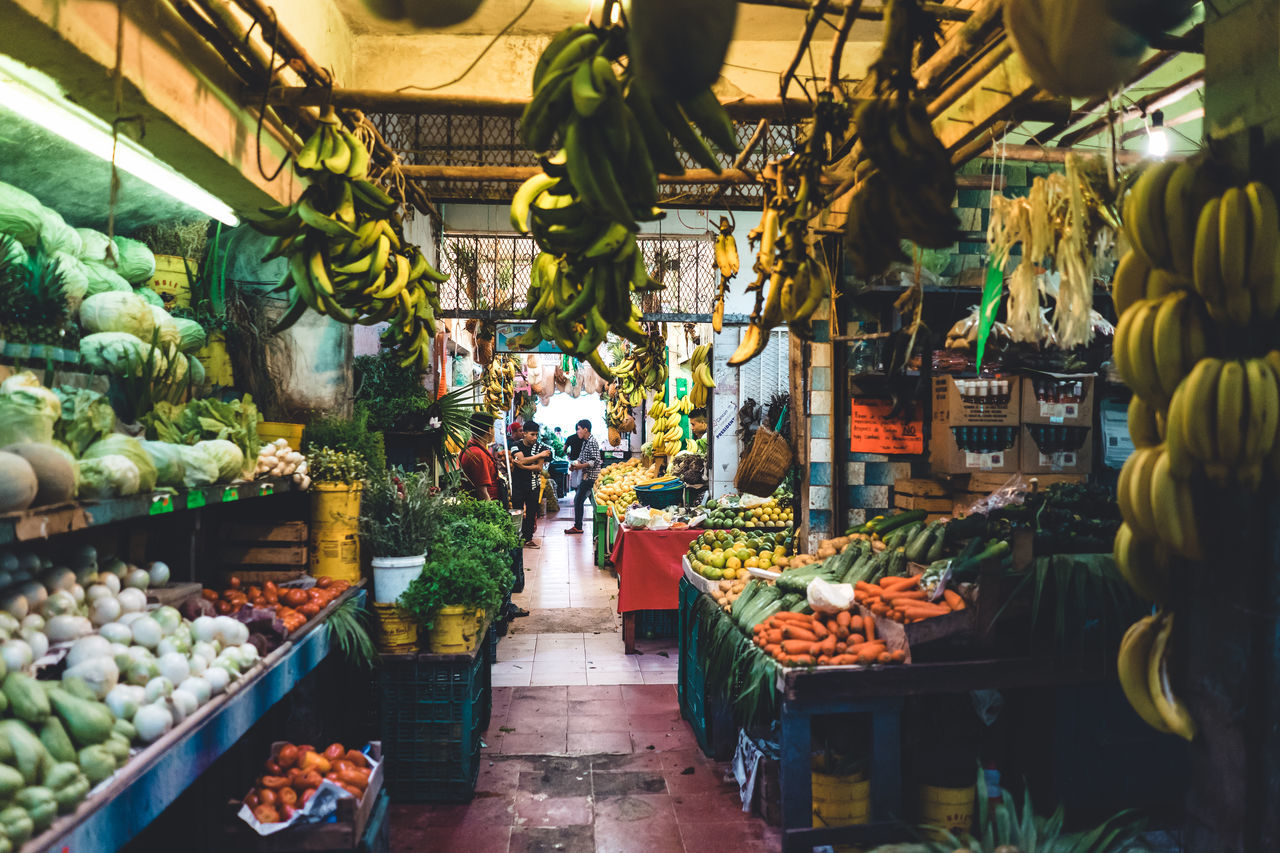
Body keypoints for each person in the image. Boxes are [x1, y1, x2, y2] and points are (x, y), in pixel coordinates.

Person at [511, 420, 551, 548]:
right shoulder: (515, 445)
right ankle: (515, 537)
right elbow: (521, 459)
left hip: (533, 485)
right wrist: (539, 456)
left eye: (536, 435)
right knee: (517, 511)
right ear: (524, 433)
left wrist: (522, 466)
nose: (535, 437)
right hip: (517, 484)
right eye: (532, 434)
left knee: (531, 512)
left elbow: (539, 467)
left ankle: (528, 538)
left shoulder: (541, 446)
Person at [565, 419, 601, 535]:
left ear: (586, 429)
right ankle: (598, 525)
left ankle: (578, 526)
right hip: (585, 476)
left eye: (579, 429)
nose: (577, 432)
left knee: (578, 499)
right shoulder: (585, 442)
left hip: (591, 477)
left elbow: (595, 461)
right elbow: (581, 457)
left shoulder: (592, 441)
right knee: (593, 502)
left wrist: (580, 466)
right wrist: (574, 465)